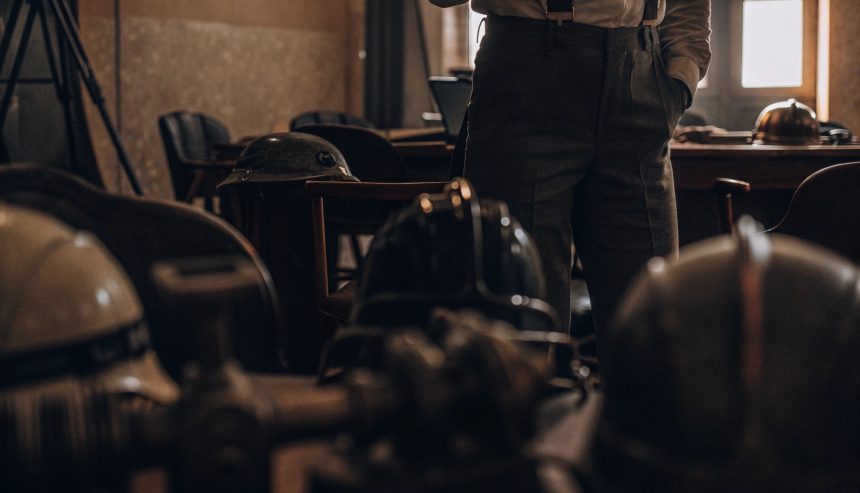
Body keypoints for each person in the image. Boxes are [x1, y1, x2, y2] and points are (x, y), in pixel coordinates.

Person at [429, 0, 711, 360]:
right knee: (522, 326)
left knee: (650, 323)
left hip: (640, 73)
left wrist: (681, 77)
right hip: (525, 76)